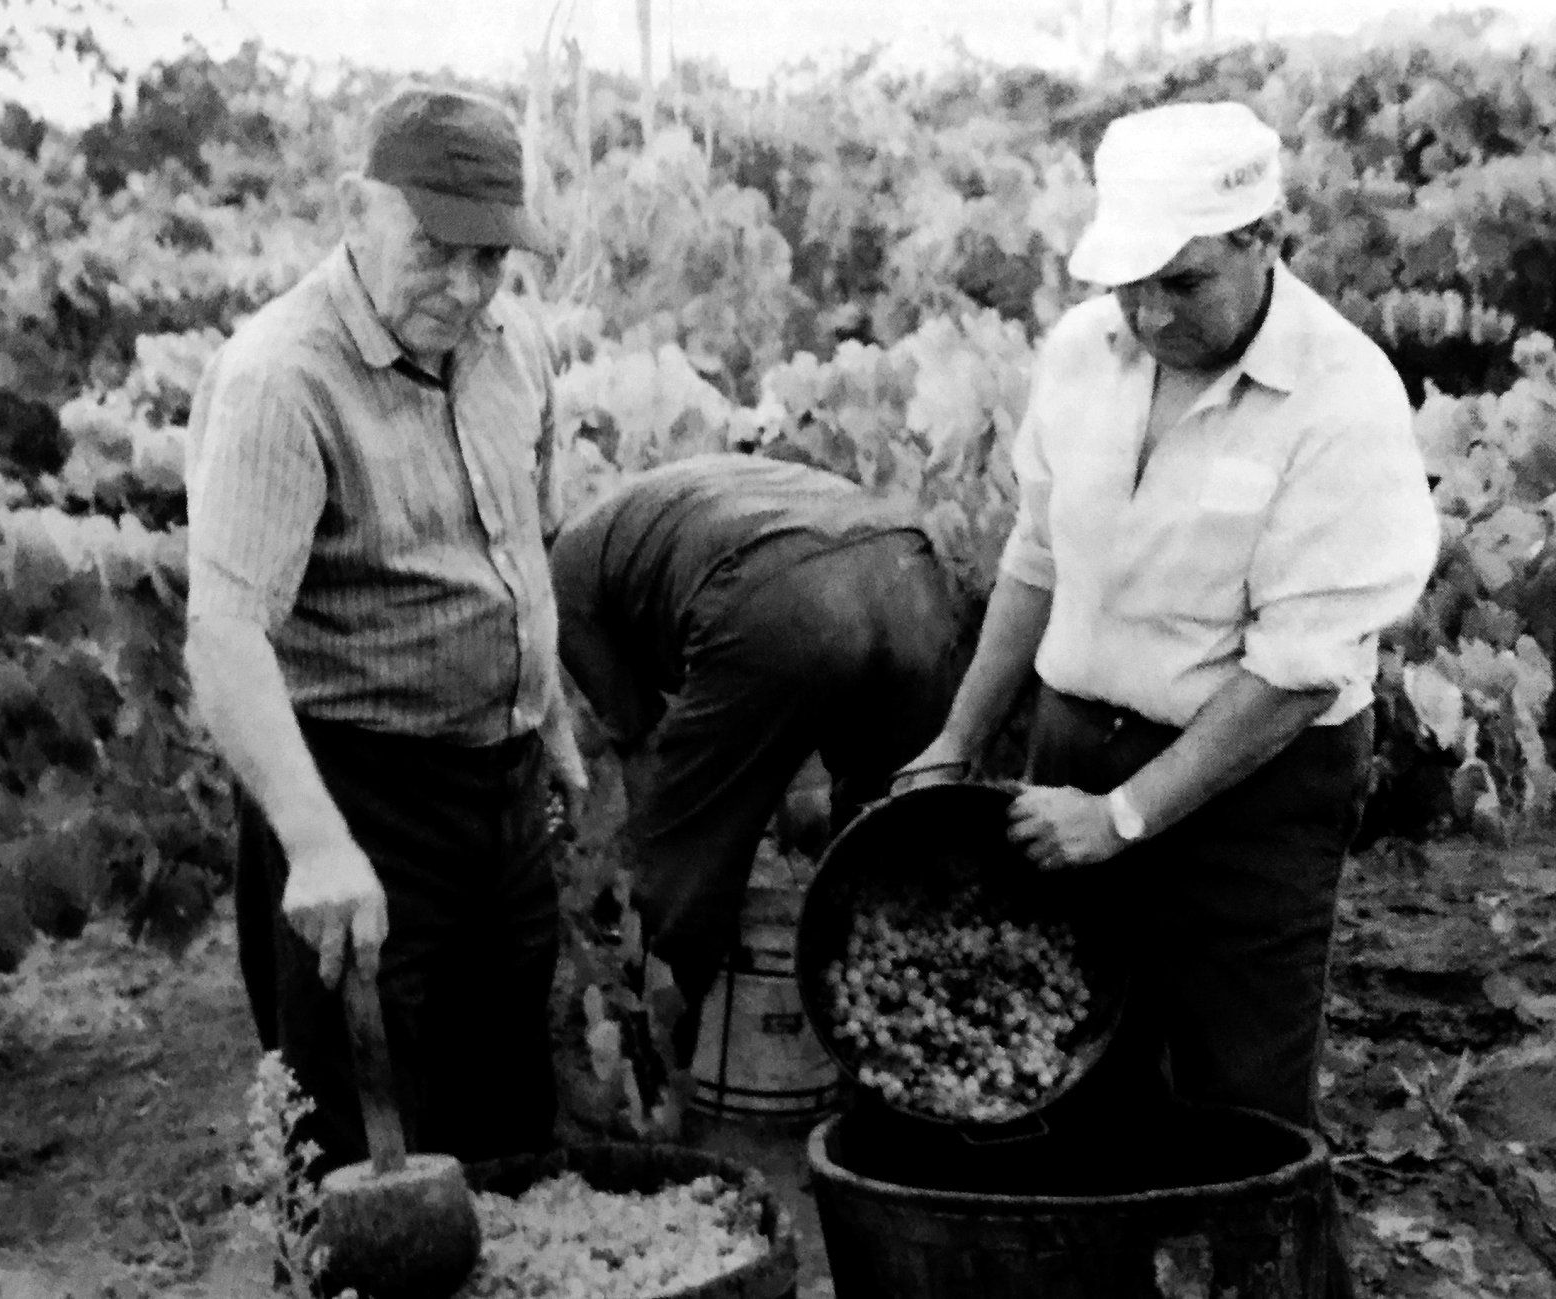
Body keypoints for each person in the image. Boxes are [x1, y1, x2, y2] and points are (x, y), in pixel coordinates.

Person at [909, 101, 1439, 1293]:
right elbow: (1036, 556)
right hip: (1072, 747)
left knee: (1232, 1109)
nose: (1149, 314)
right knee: (1066, 1071)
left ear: (1267, 237)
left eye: (1183, 283)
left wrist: (1130, 815)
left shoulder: (1341, 402)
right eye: (1127, 284)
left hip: (1247, 788)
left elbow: (1295, 672)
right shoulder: (1081, 355)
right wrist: (957, 737)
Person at [184, 83, 586, 1178]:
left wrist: (544, 713)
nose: (464, 291)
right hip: (355, 795)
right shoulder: (281, 381)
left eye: (490, 261)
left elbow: (520, 543)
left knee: (507, 1115)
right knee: (364, 1158)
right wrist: (317, 845)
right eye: (435, 252)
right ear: (357, 211)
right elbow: (224, 638)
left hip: (496, 798)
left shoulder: (515, 349)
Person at [549, 452, 963, 1056]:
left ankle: (656, 1056)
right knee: (890, 841)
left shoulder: (566, 582)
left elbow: (649, 759)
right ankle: (893, 1044)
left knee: (687, 854)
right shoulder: (672, 502)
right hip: (909, 570)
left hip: (785, 599)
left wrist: (676, 852)